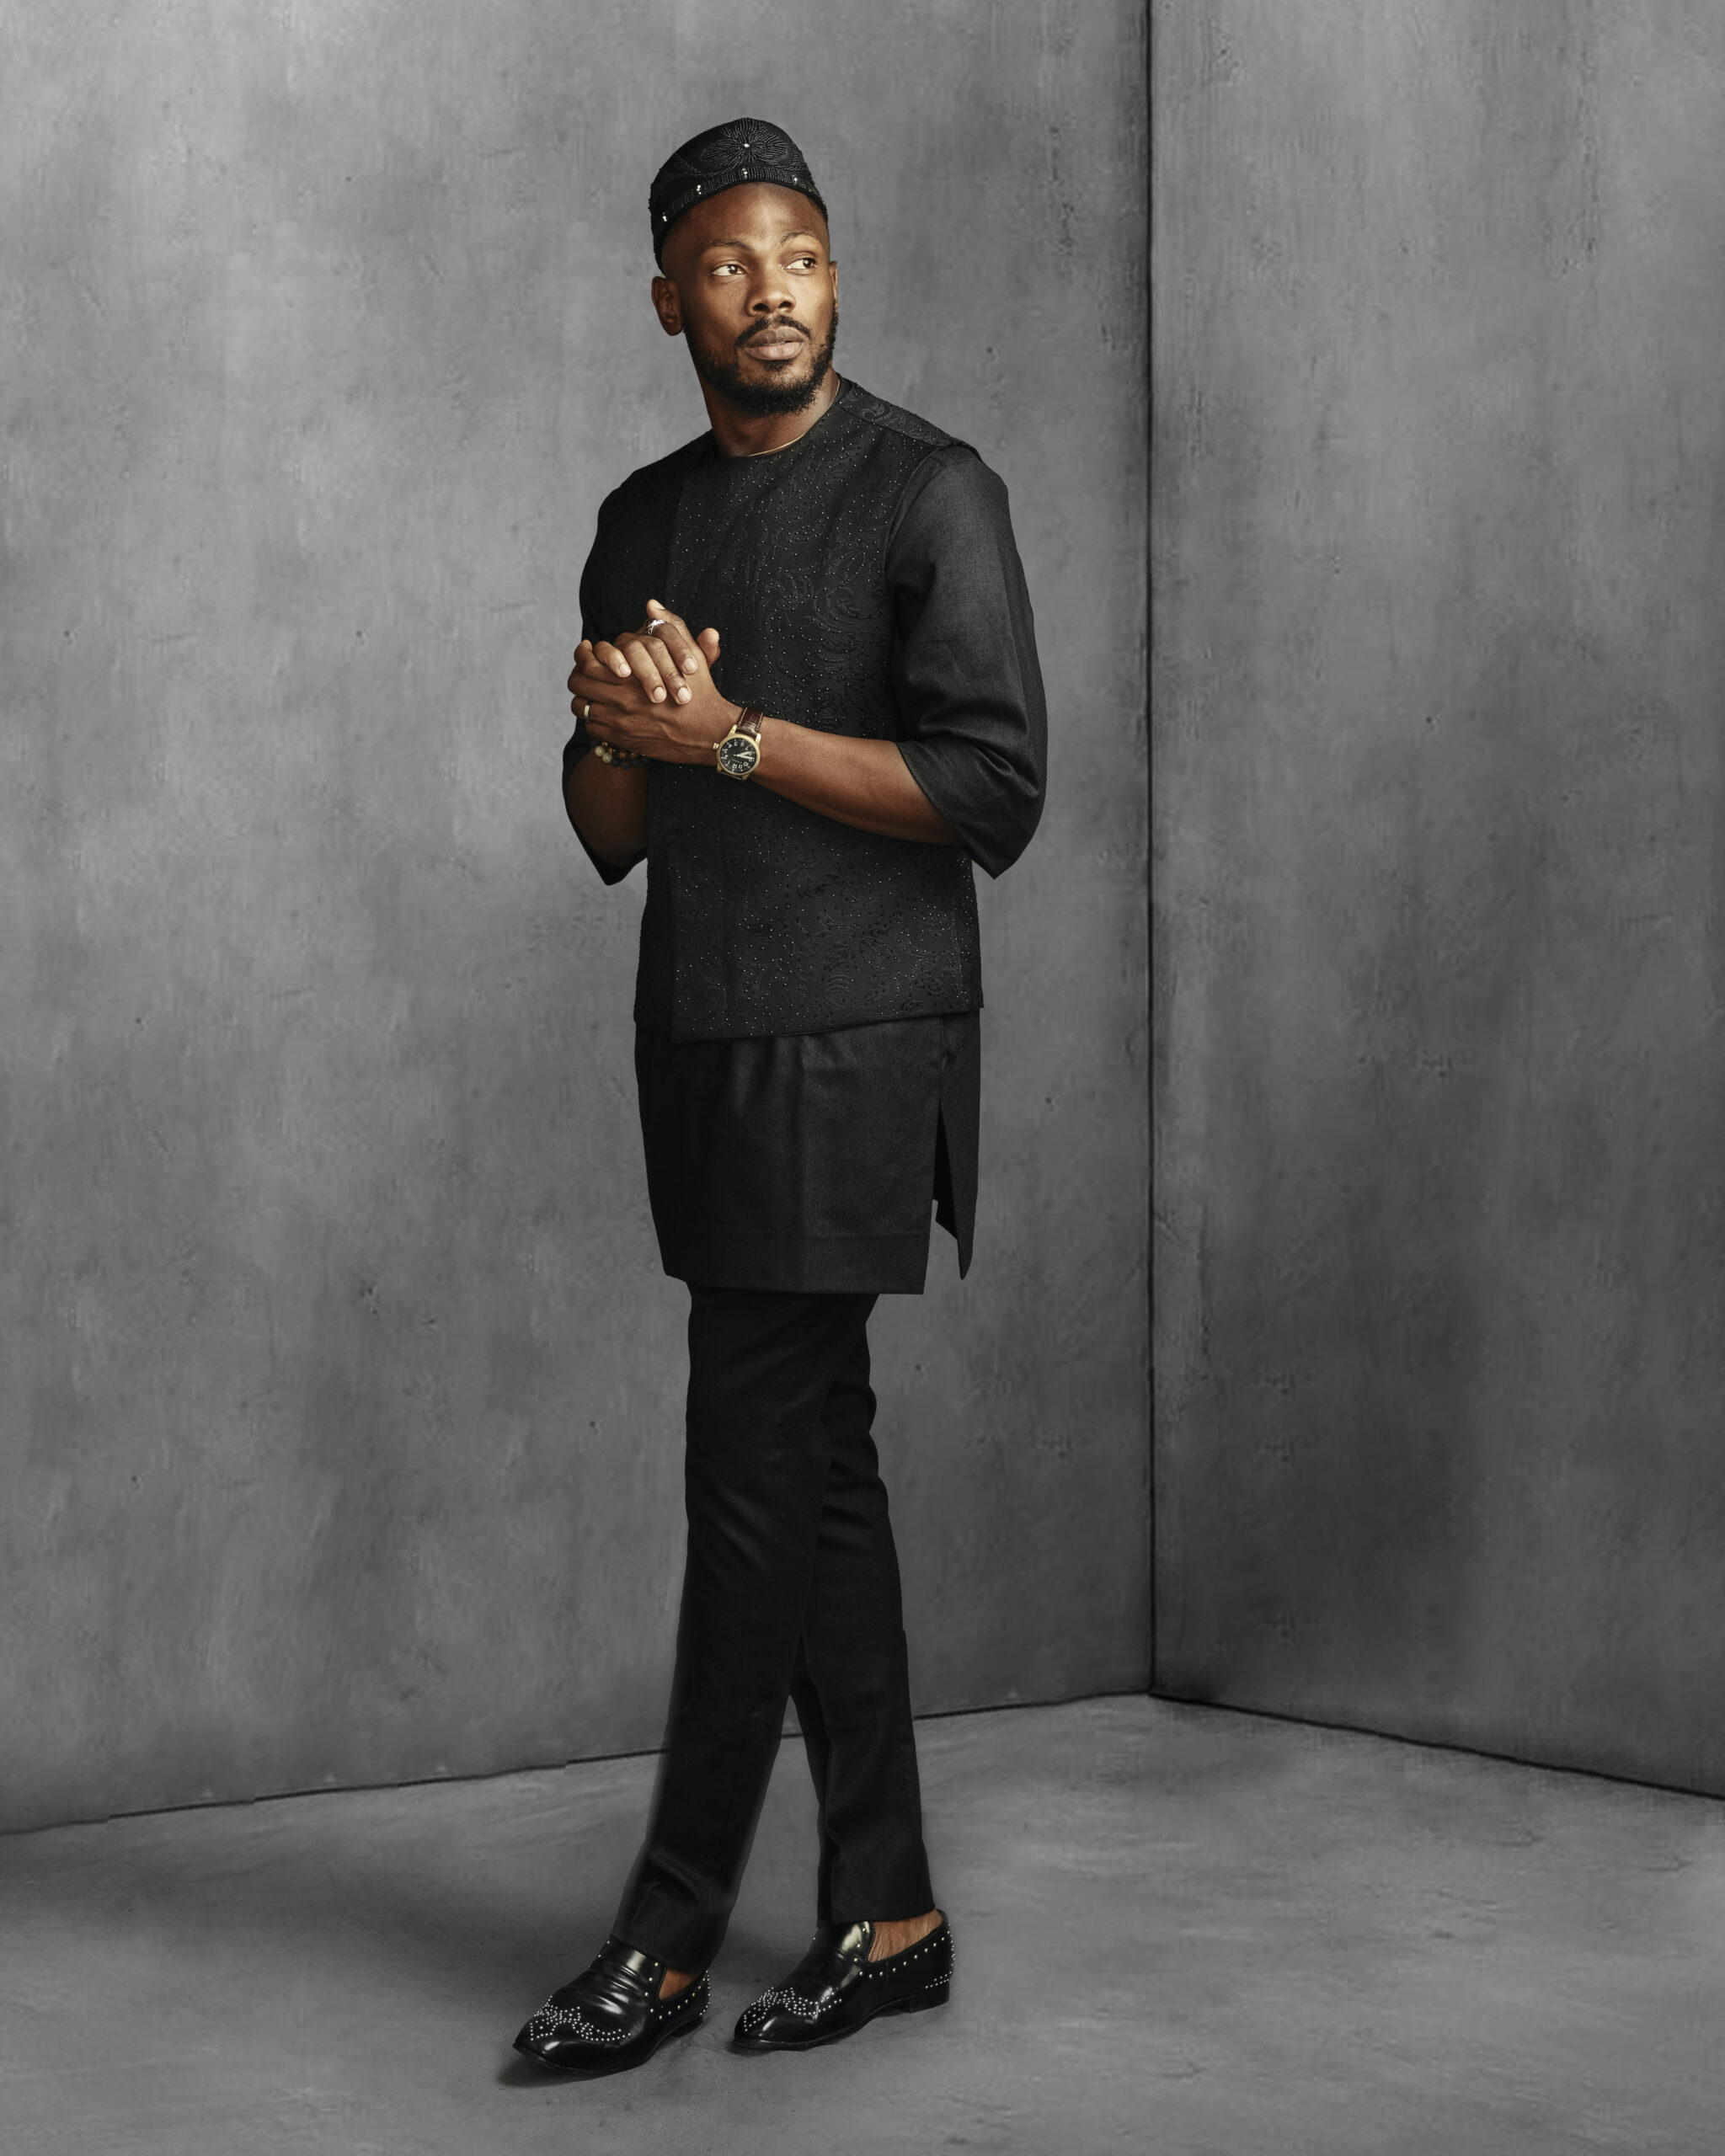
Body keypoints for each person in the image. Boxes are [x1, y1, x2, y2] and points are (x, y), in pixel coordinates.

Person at [511, 116, 1045, 2076]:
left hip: (861, 1038)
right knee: (814, 1476)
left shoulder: (930, 491)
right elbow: (607, 830)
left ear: (836, 276)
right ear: (670, 301)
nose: (774, 292)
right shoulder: (639, 519)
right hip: (704, 1038)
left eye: (801, 256)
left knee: (748, 1474)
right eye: (731, 266)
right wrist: (617, 730)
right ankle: (887, 1910)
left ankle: (662, 1936)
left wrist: (728, 732)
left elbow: (995, 789)